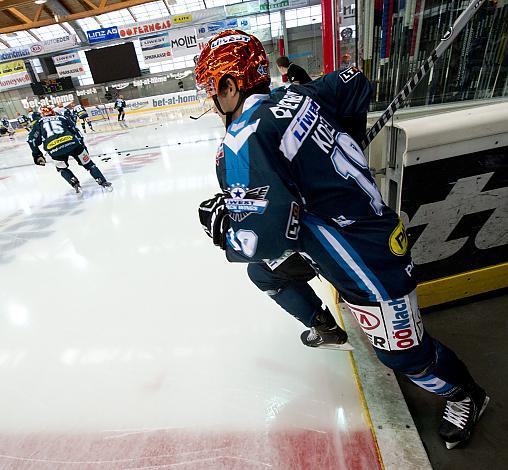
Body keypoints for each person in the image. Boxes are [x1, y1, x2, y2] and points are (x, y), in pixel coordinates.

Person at [195, 29, 488, 450]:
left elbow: (266, 238)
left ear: (230, 83)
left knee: (404, 356)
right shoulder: (302, 95)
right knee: (266, 275)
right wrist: (343, 137)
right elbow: (354, 81)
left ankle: (465, 393)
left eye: (212, 88)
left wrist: (227, 234)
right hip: (340, 236)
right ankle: (324, 327)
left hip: (366, 261)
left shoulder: (241, 141)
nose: (212, 100)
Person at [27, 106, 112, 194]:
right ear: (53, 112)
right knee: (89, 164)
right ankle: (102, 182)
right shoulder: (63, 117)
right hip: (72, 143)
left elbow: (31, 140)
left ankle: (75, 184)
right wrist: (83, 147)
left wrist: (37, 155)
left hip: (54, 149)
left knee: (62, 168)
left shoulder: (39, 122)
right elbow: (77, 132)